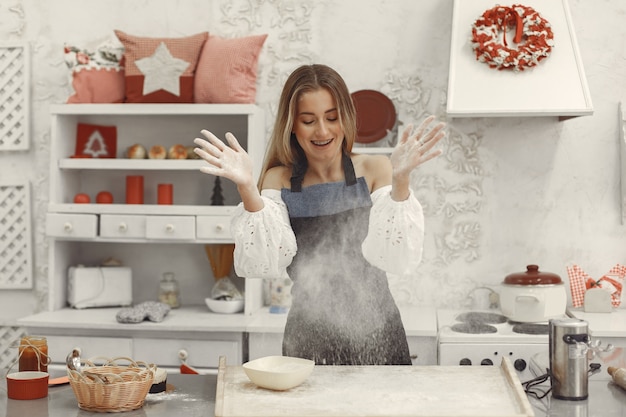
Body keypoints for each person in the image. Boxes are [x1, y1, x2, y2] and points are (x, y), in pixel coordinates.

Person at [193, 64, 445, 365]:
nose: (323, 131)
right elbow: (266, 260)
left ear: (346, 118)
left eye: (332, 117)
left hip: (380, 330)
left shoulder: (375, 169)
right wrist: (247, 187)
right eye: (309, 120)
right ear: (293, 125)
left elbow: (397, 257)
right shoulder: (279, 179)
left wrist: (401, 181)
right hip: (309, 336)